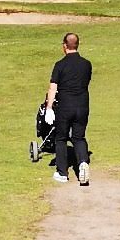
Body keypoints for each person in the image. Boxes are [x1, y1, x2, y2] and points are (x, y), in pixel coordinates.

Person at [44, 32, 92, 186]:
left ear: (65, 45)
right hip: (82, 106)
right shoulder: (86, 64)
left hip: (65, 106)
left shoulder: (60, 65)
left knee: (61, 138)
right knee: (78, 137)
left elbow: (53, 88)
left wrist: (49, 107)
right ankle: (83, 162)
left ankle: (62, 172)